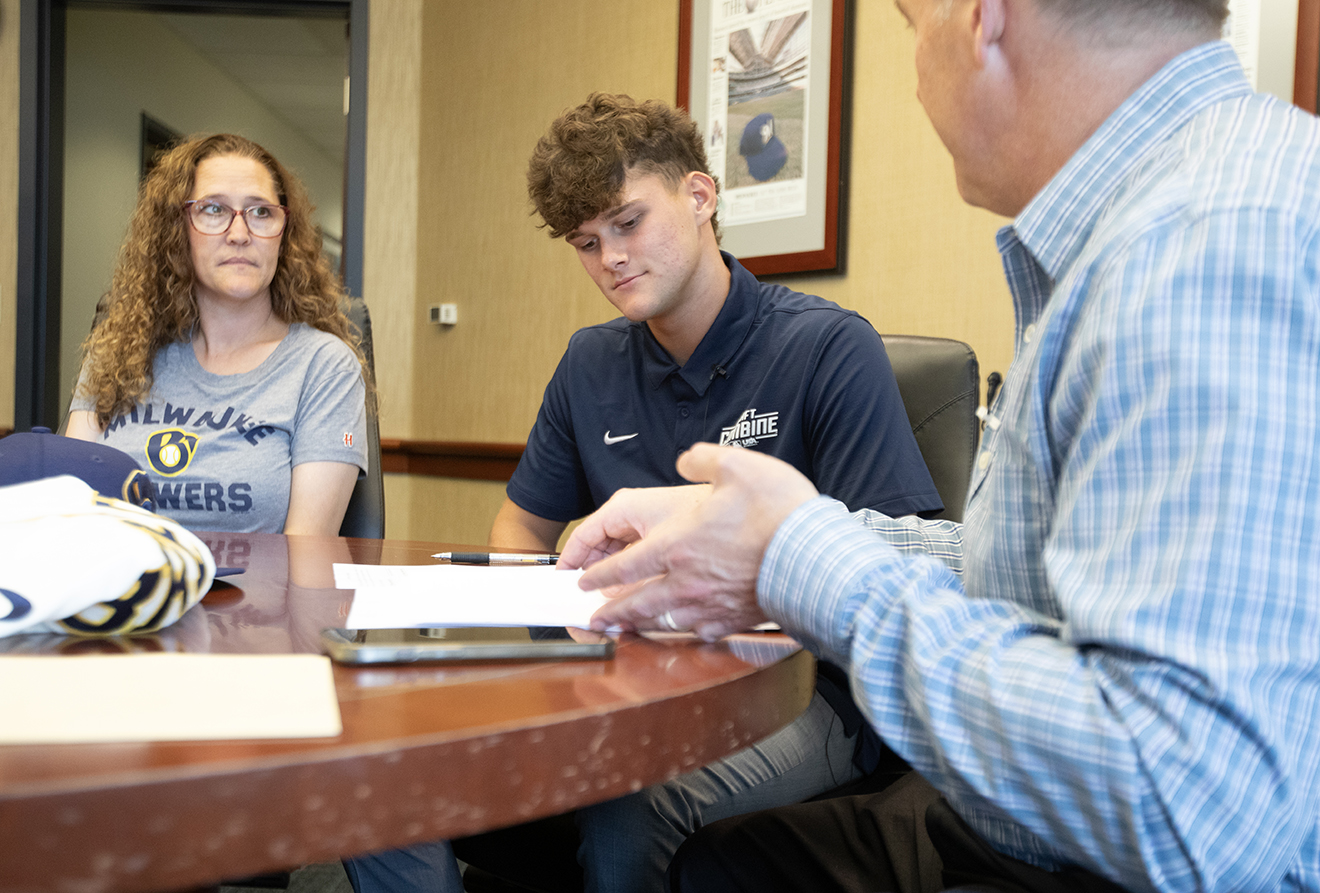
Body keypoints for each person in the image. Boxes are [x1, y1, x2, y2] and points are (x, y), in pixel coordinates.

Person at [561, 1, 1320, 891]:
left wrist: (798, 558)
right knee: (721, 862)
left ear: (982, 18)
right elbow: (1032, 572)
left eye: (910, 27)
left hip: (1080, 862)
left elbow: (1187, 809)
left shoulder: (1202, 245)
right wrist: (766, 535)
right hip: (1011, 820)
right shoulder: (1178, 210)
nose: (917, 78)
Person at [359, 93, 942, 893]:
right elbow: (520, 529)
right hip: (619, 676)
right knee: (392, 757)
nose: (610, 258)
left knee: (629, 803)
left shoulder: (828, 347)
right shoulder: (589, 363)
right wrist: (550, 631)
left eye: (628, 223)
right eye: (586, 242)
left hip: (802, 692)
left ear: (699, 196)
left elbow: (897, 570)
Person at [65, 133, 369, 536]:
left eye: (261, 212)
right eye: (213, 209)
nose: (240, 233)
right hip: (118, 576)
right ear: (176, 229)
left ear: (284, 233)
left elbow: (304, 552)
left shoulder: (324, 367)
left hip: (255, 581)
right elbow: (68, 512)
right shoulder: (117, 351)